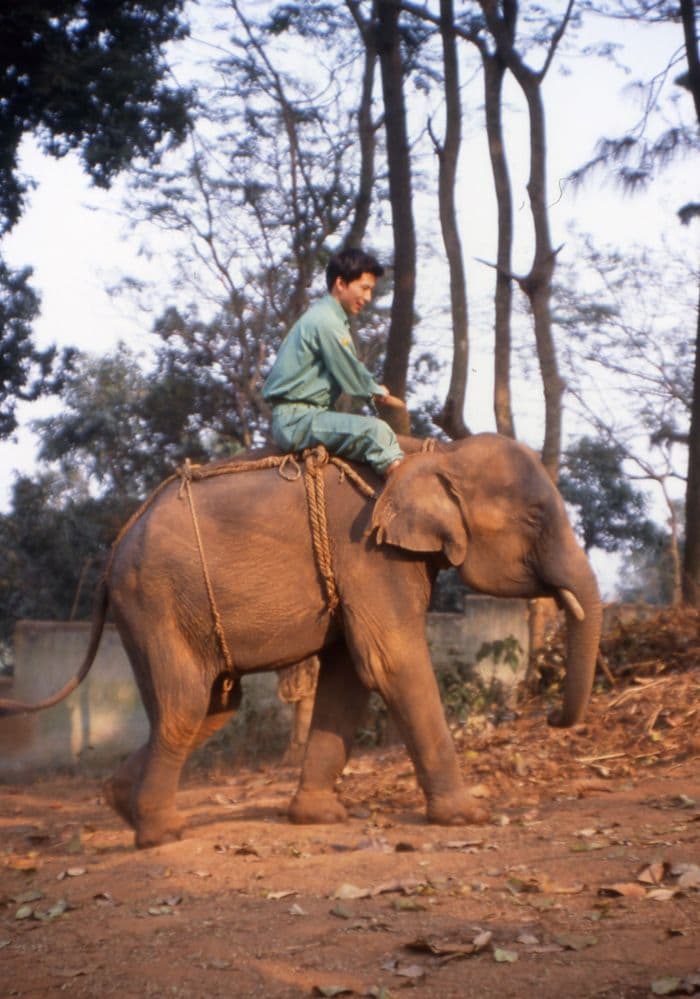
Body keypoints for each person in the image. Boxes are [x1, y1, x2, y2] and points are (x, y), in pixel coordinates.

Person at [263, 248, 406, 477]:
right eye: (365, 288)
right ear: (341, 283)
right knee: (377, 433)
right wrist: (376, 391)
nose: (368, 298)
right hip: (297, 420)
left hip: (307, 416)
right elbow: (351, 373)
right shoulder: (326, 321)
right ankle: (403, 503)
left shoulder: (329, 318)